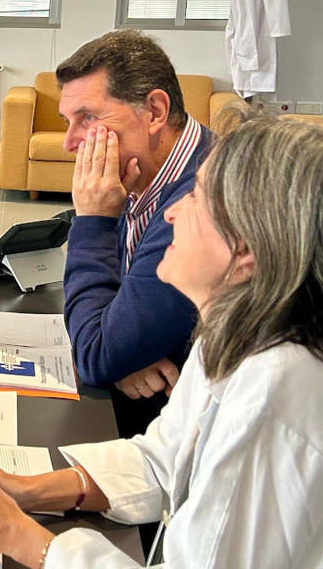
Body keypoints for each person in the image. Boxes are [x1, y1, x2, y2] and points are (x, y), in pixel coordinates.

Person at [0, 116, 323, 567]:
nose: (171, 214)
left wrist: (20, 538)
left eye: (195, 197)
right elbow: (164, 459)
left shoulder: (285, 388)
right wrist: (27, 489)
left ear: (248, 248)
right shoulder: (248, 332)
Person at [56, 30, 213, 435]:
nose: (69, 143)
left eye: (88, 118)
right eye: (68, 122)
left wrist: (93, 219)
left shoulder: (202, 198)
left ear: (155, 111)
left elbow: (94, 351)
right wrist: (122, 354)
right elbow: (111, 334)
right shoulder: (145, 173)